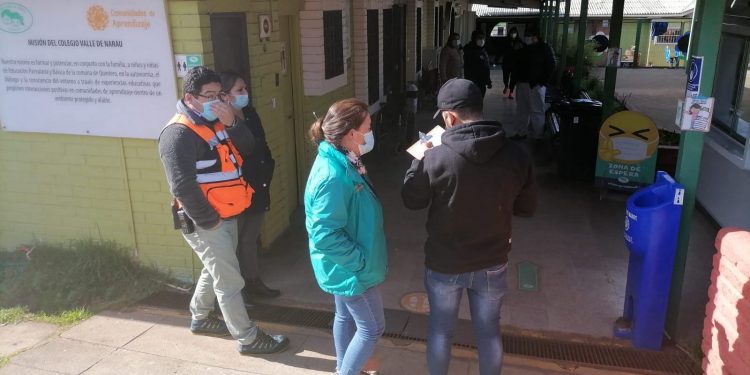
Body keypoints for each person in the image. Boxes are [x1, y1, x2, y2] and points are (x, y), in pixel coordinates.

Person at [401, 78, 538, 375]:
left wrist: (419, 157)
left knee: (441, 331)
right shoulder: (516, 154)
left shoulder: (435, 156)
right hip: (492, 261)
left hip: (444, 262)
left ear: (449, 116)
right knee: (489, 333)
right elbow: (527, 208)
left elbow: (411, 199)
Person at [158, 66, 288, 355]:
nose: (217, 101)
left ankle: (201, 317)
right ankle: (249, 338)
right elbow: (182, 187)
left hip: (228, 214)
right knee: (229, 279)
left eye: (220, 95)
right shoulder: (177, 134)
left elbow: (249, 147)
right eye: (209, 96)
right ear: (190, 97)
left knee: (215, 267)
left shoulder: (216, 120)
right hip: (207, 221)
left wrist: (232, 124)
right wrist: (211, 222)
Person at [304, 98, 388, 375]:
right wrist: (360, 262)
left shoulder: (342, 159)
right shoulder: (333, 175)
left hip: (347, 264)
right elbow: (324, 235)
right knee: (372, 327)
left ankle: (347, 366)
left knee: (345, 317)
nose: (370, 132)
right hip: (350, 268)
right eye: (368, 126)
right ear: (352, 133)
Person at [219, 71, 280, 308]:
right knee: (234, 241)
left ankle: (254, 281)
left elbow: (260, 145)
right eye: (240, 90)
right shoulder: (218, 124)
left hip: (258, 184)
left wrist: (268, 170)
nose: (245, 93)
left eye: (245, 88)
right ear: (224, 96)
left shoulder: (251, 114)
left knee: (249, 238)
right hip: (236, 191)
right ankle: (238, 290)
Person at [510, 27, 555, 141]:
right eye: (526, 35)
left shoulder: (544, 48)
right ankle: (521, 132)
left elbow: (551, 66)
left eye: (530, 35)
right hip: (522, 83)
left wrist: (542, 83)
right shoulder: (523, 48)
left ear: (536, 37)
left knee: (537, 110)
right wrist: (513, 83)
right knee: (522, 110)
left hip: (536, 85)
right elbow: (516, 65)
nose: (527, 38)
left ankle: (537, 136)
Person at [463, 30, 492, 97]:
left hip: (482, 82)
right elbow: (468, 67)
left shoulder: (483, 50)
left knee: (480, 99)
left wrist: (488, 80)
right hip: (473, 81)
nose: (482, 40)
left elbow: (486, 66)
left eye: (483, 38)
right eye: (479, 38)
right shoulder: (468, 50)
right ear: (474, 38)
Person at [502, 27, 524, 99]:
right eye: (512, 33)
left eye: (514, 33)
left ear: (517, 33)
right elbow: (501, 50)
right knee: (505, 77)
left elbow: (523, 52)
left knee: (513, 78)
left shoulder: (519, 41)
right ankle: (506, 86)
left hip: (515, 63)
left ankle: (511, 92)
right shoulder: (506, 40)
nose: (513, 34)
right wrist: (496, 59)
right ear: (509, 33)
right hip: (506, 62)